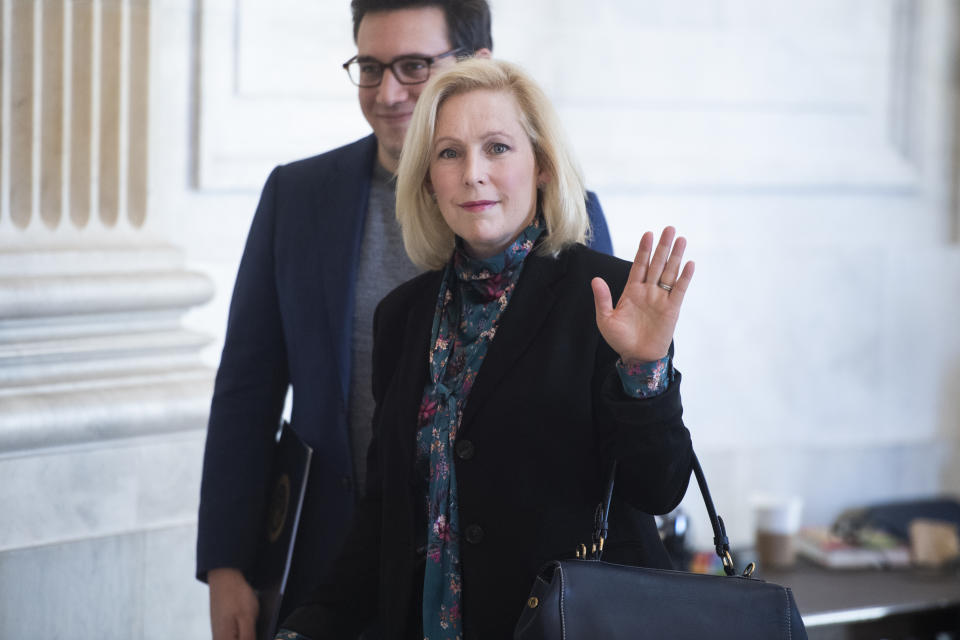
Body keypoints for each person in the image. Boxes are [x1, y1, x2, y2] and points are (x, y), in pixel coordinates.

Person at [196, 2, 613, 639]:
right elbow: (247, 389)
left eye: (414, 65)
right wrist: (227, 564)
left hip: (517, 596)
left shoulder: (559, 211)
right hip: (331, 568)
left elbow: (610, 426)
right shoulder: (297, 196)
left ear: (475, 66)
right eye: (370, 66)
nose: (389, 93)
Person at [277, 58, 695, 640]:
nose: (472, 173)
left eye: (497, 148)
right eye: (449, 153)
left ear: (542, 165)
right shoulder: (401, 317)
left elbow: (659, 488)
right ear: (428, 176)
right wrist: (308, 624)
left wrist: (644, 367)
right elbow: (385, 518)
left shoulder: (607, 296)